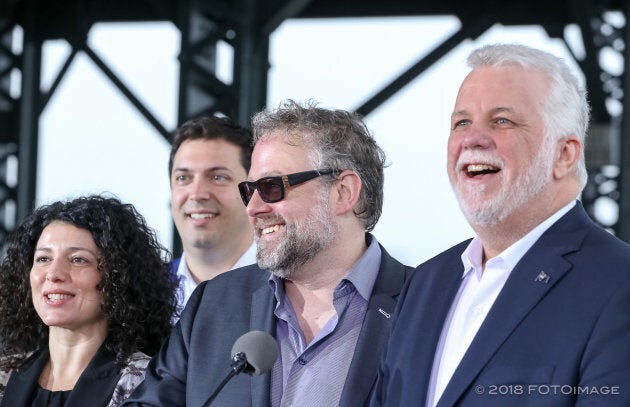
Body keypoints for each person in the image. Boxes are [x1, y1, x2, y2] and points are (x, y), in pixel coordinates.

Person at [371, 43, 630, 406]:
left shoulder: (619, 285)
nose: (472, 139)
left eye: (502, 120)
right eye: (461, 122)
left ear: (564, 154)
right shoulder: (424, 285)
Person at [123, 100, 414, 407]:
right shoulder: (213, 304)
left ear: (343, 192)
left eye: (273, 187)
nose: (254, 208)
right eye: (250, 191)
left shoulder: (425, 304)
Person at [0, 195, 178, 406]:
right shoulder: (5, 373)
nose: (54, 273)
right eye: (43, 259)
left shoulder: (142, 380)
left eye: (78, 260)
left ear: (118, 278)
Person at [169, 115, 256, 316]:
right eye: (183, 178)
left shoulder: (293, 289)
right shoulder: (138, 294)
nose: (198, 194)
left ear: (252, 190)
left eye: (218, 177)